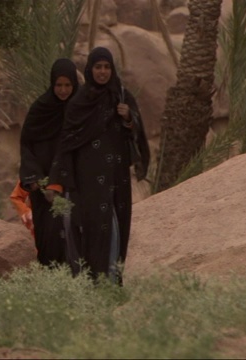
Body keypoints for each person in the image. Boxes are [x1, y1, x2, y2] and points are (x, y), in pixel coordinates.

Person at [49, 47, 150, 284]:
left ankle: (112, 281)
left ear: (112, 69)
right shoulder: (78, 102)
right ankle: (92, 282)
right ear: (90, 69)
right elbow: (67, 142)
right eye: (98, 67)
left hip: (116, 175)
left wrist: (128, 119)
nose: (103, 72)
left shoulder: (122, 96)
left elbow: (138, 132)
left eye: (107, 67)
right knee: (93, 227)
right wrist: (61, 180)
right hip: (88, 177)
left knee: (116, 225)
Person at [19, 58, 79, 267]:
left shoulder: (79, 110)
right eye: (59, 85)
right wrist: (36, 181)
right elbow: (26, 145)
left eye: (67, 85)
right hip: (42, 187)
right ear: (52, 84)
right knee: (49, 238)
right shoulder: (40, 109)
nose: (63, 90)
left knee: (72, 238)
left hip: (72, 184)